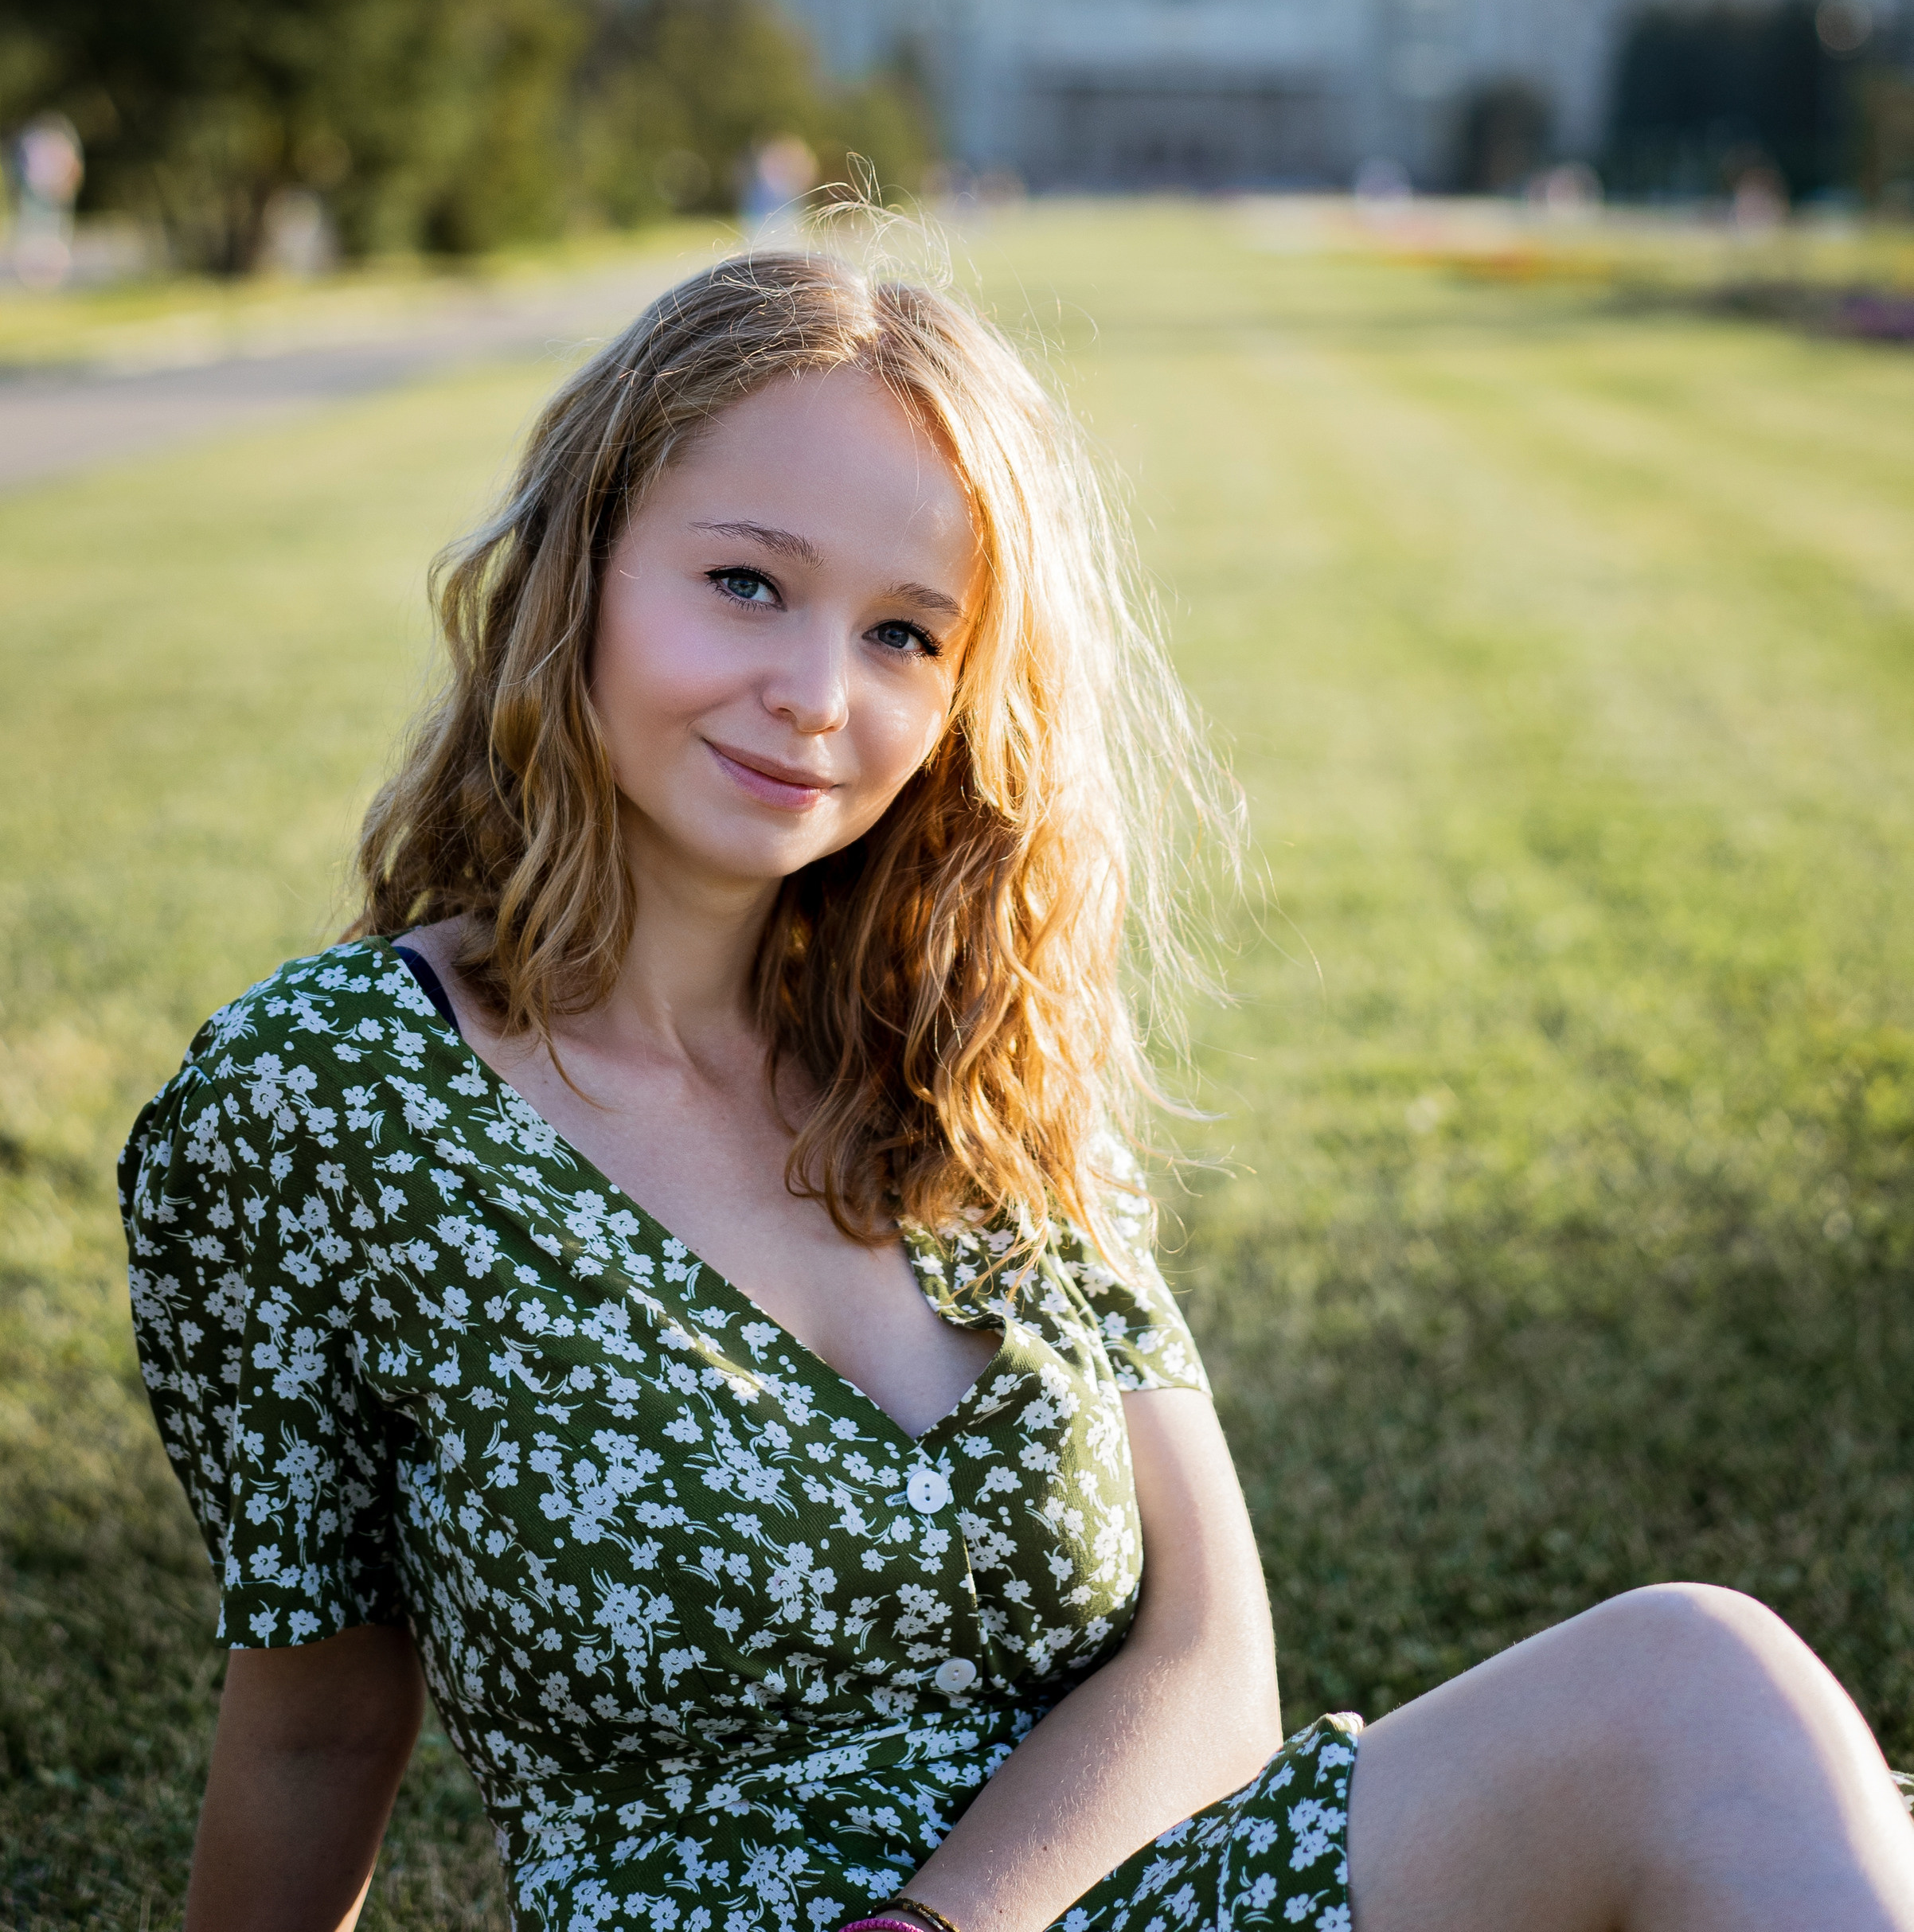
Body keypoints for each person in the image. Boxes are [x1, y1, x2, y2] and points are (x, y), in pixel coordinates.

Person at [121, 250, 1914, 1932]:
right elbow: (309, 1725)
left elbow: (1209, 1653)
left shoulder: (969, 1056)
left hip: (1088, 1903)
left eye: (906, 632)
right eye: (745, 579)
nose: (817, 693)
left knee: (1704, 1678)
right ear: (584, 561)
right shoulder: (329, 1097)